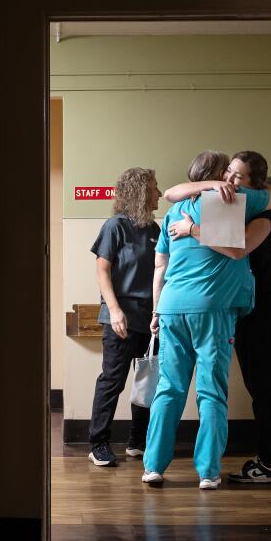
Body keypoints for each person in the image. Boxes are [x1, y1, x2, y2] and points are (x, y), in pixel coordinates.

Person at [142, 151, 271, 489]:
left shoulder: (173, 212)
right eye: (228, 173)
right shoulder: (230, 202)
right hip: (211, 308)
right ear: (220, 176)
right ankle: (207, 471)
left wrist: (155, 311)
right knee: (211, 390)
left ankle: (153, 467)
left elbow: (159, 266)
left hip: (172, 306)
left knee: (169, 389)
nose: (232, 180)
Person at [86, 167, 161, 467]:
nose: (158, 192)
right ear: (141, 191)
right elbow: (102, 269)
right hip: (120, 317)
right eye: (155, 187)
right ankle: (98, 443)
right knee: (112, 380)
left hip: (149, 319)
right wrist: (114, 310)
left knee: (147, 380)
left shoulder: (155, 230)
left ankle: (137, 441)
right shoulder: (115, 225)